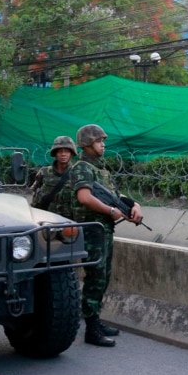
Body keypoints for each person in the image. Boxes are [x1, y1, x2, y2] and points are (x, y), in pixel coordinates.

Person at [70, 124, 143, 347]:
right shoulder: (82, 167)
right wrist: (111, 212)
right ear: (86, 144)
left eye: (103, 140)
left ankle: (96, 319)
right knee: (95, 277)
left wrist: (134, 206)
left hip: (104, 230)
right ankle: (91, 329)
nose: (103, 144)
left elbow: (116, 195)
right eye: (98, 141)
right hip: (92, 229)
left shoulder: (101, 170)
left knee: (103, 276)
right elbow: (84, 197)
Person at [30, 136, 78, 219]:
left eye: (66, 151)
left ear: (71, 154)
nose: (63, 154)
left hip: (68, 220)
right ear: (55, 153)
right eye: (60, 151)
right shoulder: (44, 172)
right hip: (45, 217)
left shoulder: (77, 173)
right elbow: (34, 190)